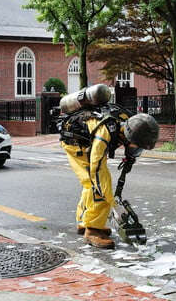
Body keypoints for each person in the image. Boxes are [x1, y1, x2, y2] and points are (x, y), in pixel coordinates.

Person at [59, 102, 159, 249]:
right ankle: (92, 230)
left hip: (88, 142)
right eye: (135, 145)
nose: (135, 148)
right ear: (128, 136)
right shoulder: (104, 133)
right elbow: (96, 169)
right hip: (77, 145)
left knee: (91, 184)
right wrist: (113, 204)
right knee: (99, 185)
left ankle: (84, 222)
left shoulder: (129, 122)